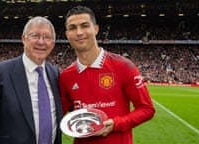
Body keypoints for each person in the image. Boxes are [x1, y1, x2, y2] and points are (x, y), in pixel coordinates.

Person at [59, 5, 155, 144]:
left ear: (96, 29)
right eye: (73, 28)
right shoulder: (66, 77)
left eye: (85, 26)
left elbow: (147, 109)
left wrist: (116, 124)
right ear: (67, 35)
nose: (79, 32)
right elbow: (57, 116)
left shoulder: (123, 66)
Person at [0, 16, 63, 144]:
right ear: (24, 39)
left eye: (47, 37)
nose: (41, 42)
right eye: (35, 35)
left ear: (53, 44)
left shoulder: (54, 74)